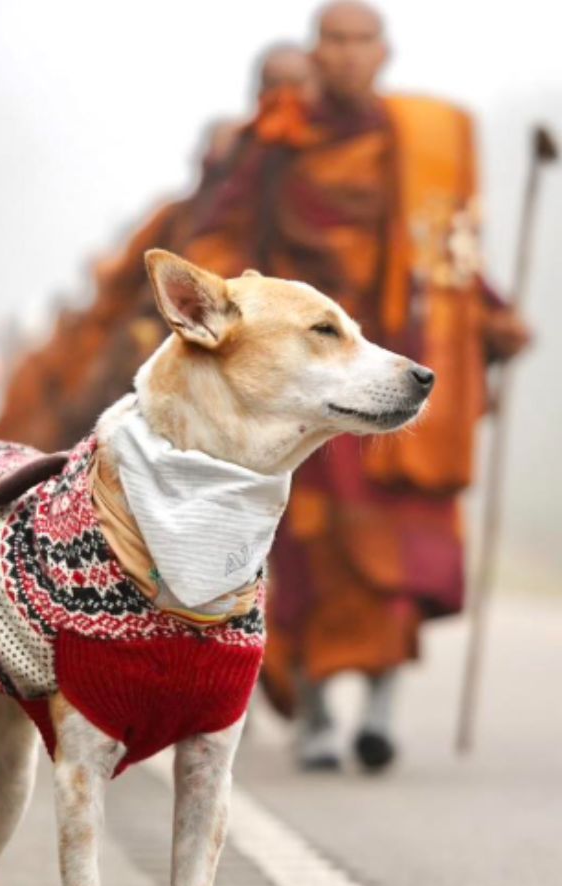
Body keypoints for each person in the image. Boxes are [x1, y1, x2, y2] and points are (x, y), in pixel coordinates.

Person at [178, 0, 532, 771]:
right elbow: (222, 234)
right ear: (315, 51)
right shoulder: (277, 145)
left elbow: (448, 251)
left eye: (358, 41)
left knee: (398, 547)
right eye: (329, 41)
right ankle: (311, 712)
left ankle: (380, 709)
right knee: (310, 547)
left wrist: (495, 318)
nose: (343, 55)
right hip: (310, 375)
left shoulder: (424, 142)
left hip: (400, 361)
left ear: (384, 51)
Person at [0, 43, 321, 450]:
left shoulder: (323, 166)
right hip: (182, 331)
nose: (284, 97)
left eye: (297, 83)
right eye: (274, 84)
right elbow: (126, 276)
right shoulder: (189, 207)